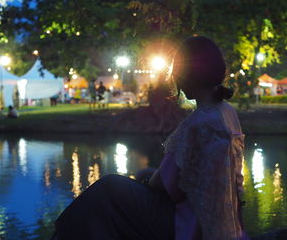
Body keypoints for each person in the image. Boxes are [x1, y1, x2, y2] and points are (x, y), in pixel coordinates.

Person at [52, 36, 249, 240]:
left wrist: (148, 178)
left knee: (108, 188)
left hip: (191, 225)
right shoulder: (227, 113)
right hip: (227, 219)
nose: (176, 78)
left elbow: (161, 184)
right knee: (134, 180)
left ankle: (62, 234)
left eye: (178, 72)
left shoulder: (198, 124)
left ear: (189, 75)